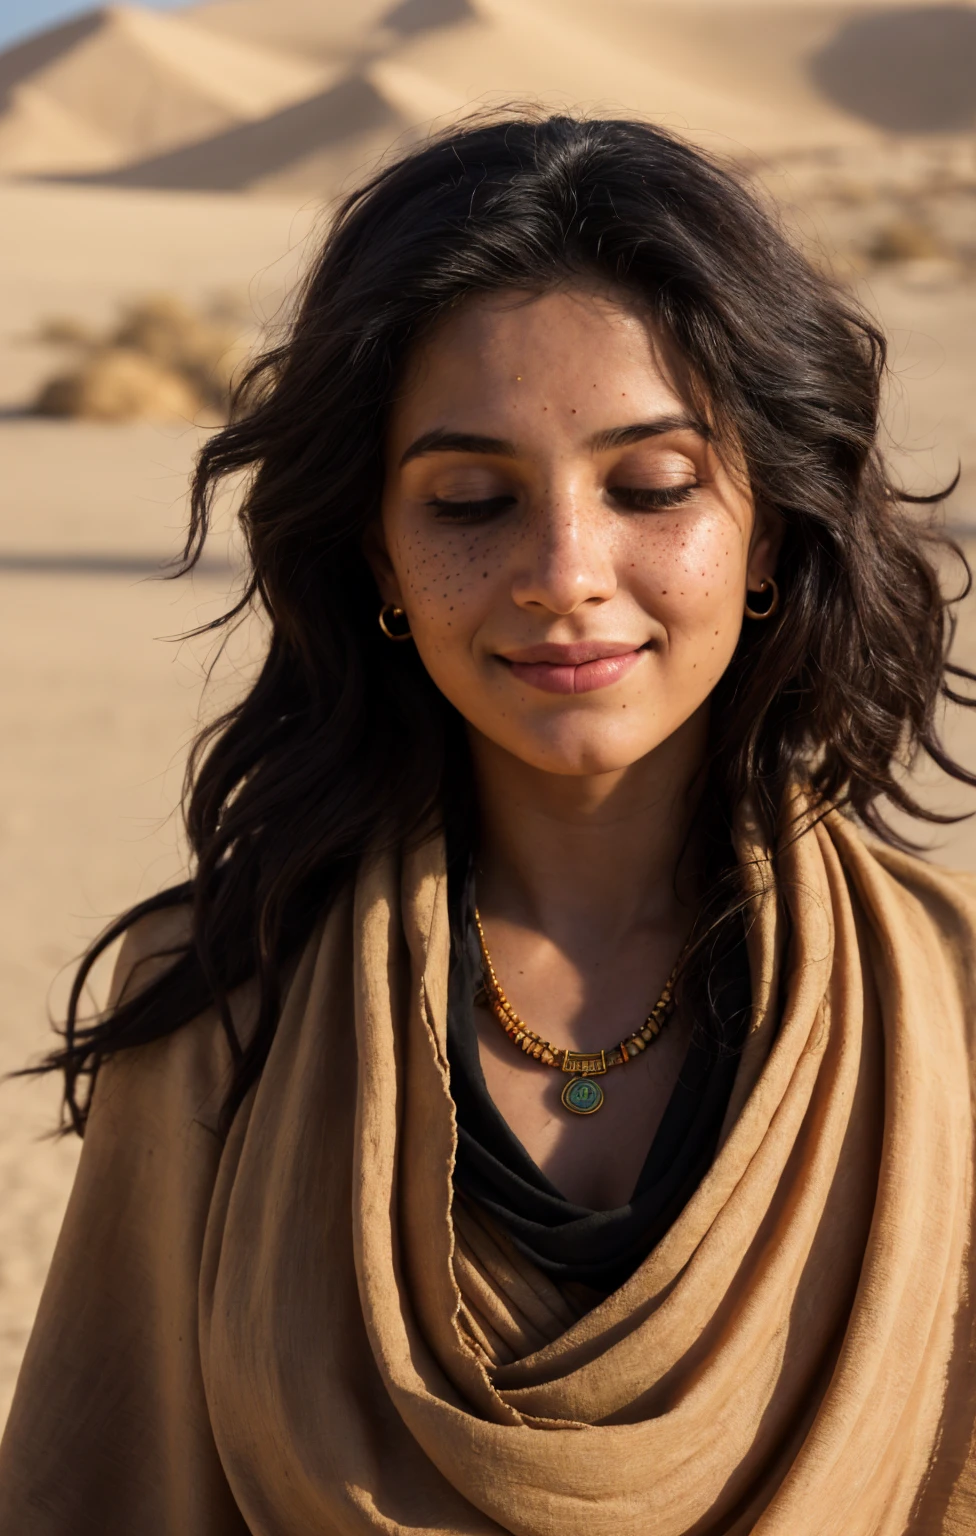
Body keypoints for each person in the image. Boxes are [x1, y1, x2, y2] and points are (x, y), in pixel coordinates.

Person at [2, 112, 976, 1536]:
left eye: (651, 486)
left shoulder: (952, 1009)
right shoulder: (219, 1008)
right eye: (472, 500)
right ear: (378, 555)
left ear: (769, 529)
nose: (564, 573)